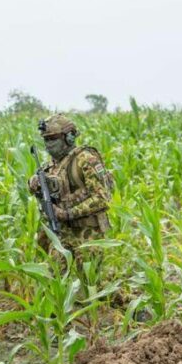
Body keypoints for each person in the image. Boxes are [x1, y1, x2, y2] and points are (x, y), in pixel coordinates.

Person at [28, 114, 114, 270]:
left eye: (53, 138)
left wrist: (67, 213)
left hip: (87, 233)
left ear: (69, 137)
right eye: (46, 139)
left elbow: (102, 198)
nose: (48, 144)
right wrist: (34, 183)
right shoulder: (52, 165)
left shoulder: (86, 160)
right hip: (61, 232)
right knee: (53, 278)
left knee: (93, 284)